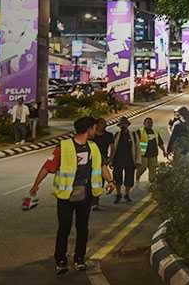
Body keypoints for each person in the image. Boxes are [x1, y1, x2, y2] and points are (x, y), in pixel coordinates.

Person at [29, 116, 111, 275]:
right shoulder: (64, 147)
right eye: (94, 128)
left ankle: (79, 259)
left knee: (82, 228)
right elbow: (47, 167)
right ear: (89, 129)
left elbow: (102, 166)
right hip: (66, 196)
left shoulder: (93, 147)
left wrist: (110, 180)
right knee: (64, 228)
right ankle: (60, 260)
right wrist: (35, 185)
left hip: (86, 195)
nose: (96, 130)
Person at [108, 117, 139, 203]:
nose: (123, 126)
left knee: (129, 179)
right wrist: (111, 160)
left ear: (127, 125)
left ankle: (127, 194)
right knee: (117, 178)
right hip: (118, 160)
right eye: (121, 124)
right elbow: (112, 149)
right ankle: (118, 194)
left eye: (124, 124)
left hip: (130, 160)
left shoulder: (133, 135)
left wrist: (137, 161)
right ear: (119, 125)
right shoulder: (116, 135)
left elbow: (137, 148)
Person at [90, 118, 115, 212]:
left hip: (102, 159)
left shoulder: (108, 135)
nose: (104, 125)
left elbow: (112, 147)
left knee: (99, 182)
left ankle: (95, 202)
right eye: (101, 123)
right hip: (90, 160)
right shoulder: (91, 136)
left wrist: (110, 158)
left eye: (105, 123)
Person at [136, 116, 166, 183]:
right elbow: (135, 144)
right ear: (144, 123)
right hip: (143, 154)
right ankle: (137, 176)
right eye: (148, 122)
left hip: (153, 154)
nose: (150, 124)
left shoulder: (155, 132)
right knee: (143, 168)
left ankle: (151, 183)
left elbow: (160, 143)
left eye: (151, 123)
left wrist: (164, 151)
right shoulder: (140, 131)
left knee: (153, 170)